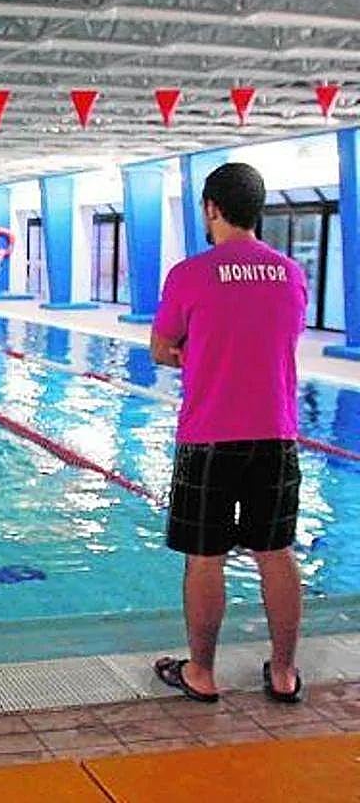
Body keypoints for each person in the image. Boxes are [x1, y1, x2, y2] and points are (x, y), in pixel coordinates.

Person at [150, 162, 307, 704]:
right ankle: (284, 674)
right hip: (276, 435)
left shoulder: (189, 274)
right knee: (277, 552)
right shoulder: (292, 273)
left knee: (206, 556)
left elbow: (161, 349)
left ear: (212, 209)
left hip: (209, 435)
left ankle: (202, 672)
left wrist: (197, 353)